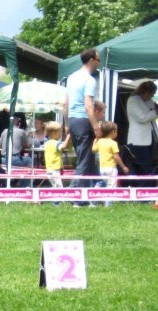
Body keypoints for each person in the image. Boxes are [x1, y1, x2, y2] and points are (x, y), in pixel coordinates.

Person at [64, 48, 101, 204]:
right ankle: (72, 196)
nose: (99, 62)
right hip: (84, 121)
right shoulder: (89, 80)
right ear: (92, 60)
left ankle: (92, 196)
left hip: (72, 120)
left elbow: (65, 103)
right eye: (98, 59)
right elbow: (88, 106)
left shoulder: (71, 77)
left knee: (88, 159)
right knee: (84, 160)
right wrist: (96, 126)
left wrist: (67, 124)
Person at [126, 80, 157, 187]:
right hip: (138, 140)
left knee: (150, 166)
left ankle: (150, 190)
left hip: (150, 138)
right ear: (144, 91)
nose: (151, 96)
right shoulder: (133, 101)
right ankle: (143, 190)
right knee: (144, 166)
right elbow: (142, 118)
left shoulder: (149, 101)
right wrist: (155, 111)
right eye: (151, 94)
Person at [92, 121, 129, 205]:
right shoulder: (113, 143)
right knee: (111, 186)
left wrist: (95, 141)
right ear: (113, 132)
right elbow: (116, 157)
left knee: (103, 183)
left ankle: (95, 193)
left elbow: (94, 150)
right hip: (111, 168)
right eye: (116, 131)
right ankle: (108, 204)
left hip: (102, 168)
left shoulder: (100, 142)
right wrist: (123, 167)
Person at [0, 113, 33, 186]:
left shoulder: (4, 131)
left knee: (21, 161)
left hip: (3, 160)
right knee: (29, 160)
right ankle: (25, 185)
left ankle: (10, 182)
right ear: (19, 123)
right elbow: (27, 145)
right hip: (14, 158)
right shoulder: (22, 131)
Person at [43, 121, 71, 189]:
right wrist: (69, 135)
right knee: (59, 188)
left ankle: (56, 199)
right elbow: (63, 147)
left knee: (56, 187)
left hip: (49, 168)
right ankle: (58, 199)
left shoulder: (47, 143)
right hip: (54, 170)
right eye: (60, 132)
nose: (61, 134)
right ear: (54, 133)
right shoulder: (55, 143)